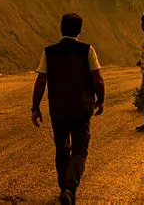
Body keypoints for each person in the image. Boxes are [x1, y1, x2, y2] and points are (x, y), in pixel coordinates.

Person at [32, 13, 105, 204]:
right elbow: (98, 79)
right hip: (81, 108)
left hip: (59, 110)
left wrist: (35, 107)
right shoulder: (87, 50)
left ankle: (63, 186)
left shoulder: (49, 52)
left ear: (61, 28)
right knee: (80, 149)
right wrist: (101, 100)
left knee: (62, 148)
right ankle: (69, 188)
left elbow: (40, 81)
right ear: (79, 30)